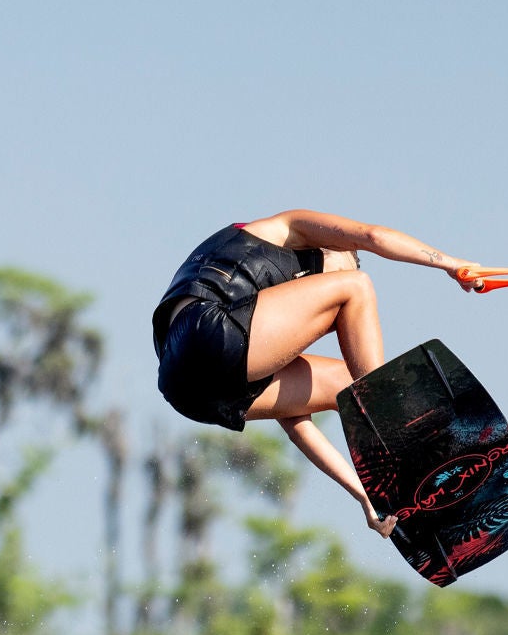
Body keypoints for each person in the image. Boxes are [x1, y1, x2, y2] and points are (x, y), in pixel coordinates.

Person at [152, 211, 484, 536]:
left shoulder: (263, 319)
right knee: (357, 288)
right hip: (204, 331)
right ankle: (401, 436)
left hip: (191, 391)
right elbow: (372, 237)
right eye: (347, 261)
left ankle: (396, 476)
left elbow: (295, 419)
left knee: (346, 386)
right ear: (332, 248)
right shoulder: (284, 229)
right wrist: (451, 264)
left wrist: (362, 495)